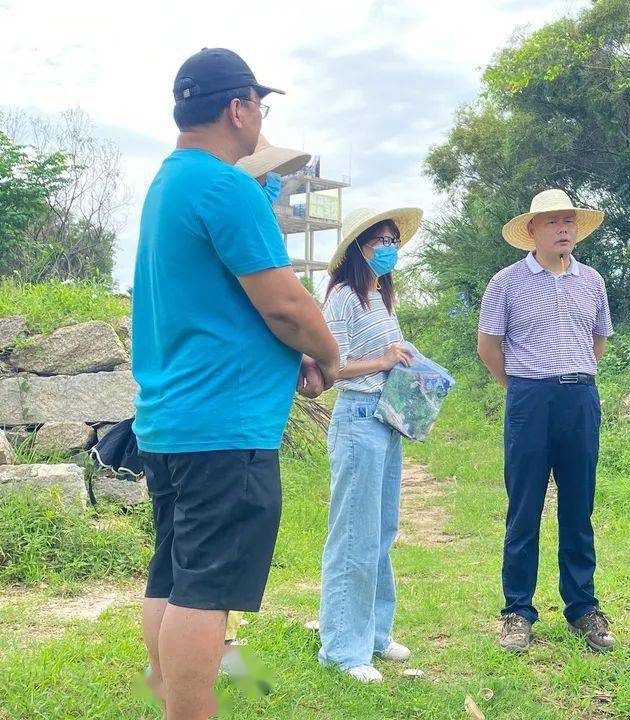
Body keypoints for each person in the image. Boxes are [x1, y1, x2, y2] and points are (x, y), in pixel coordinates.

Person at [132, 48, 339, 720]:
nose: (261, 119)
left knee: (172, 576)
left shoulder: (169, 183)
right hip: (225, 428)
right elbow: (286, 305)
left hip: (171, 424)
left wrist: (286, 355)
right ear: (237, 107)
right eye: (261, 106)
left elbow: (224, 311)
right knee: (205, 592)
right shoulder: (228, 188)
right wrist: (326, 354)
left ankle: (170, 700)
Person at [477, 189, 616, 654]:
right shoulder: (506, 283)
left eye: (569, 222)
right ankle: (517, 611)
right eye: (553, 221)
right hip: (529, 398)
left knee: (578, 507)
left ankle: (582, 608)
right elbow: (489, 347)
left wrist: (573, 374)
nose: (563, 229)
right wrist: (520, 385)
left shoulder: (592, 280)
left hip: (580, 397)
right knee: (524, 507)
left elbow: (597, 340)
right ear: (531, 230)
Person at [217, 134, 313, 681]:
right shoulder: (241, 221)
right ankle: (218, 651)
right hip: (237, 412)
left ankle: (198, 658)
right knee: (226, 545)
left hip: (248, 403)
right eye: (272, 179)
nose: (280, 189)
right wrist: (318, 351)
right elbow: (280, 309)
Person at [318, 206, 423, 683]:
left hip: (384, 419)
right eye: (380, 240)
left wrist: (402, 359)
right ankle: (342, 649)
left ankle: (375, 634)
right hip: (357, 419)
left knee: (381, 530)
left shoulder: (379, 297)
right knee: (354, 536)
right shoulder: (342, 297)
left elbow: (382, 358)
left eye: (393, 239)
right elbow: (330, 367)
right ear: (359, 248)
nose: (389, 248)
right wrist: (383, 359)